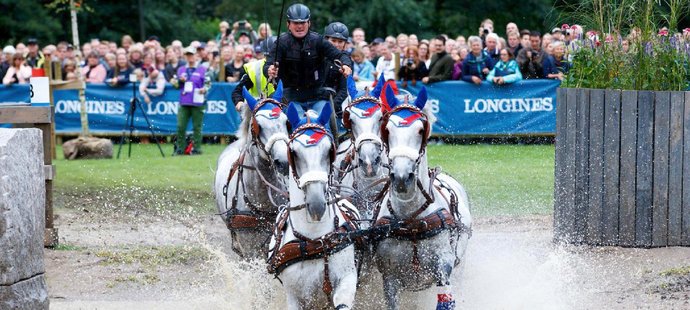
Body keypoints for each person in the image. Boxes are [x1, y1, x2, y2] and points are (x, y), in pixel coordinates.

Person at [264, 3, 352, 123]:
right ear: (288, 24)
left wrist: (346, 65)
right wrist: (269, 70)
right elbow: (268, 65)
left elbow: (341, 55)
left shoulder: (318, 40)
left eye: (303, 22)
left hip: (318, 97)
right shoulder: (281, 43)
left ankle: (332, 141)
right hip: (291, 98)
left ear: (309, 23)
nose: (299, 26)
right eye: (295, 23)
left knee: (323, 123)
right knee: (300, 124)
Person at [172, 46, 210, 155]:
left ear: (196, 56)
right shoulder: (181, 69)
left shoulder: (202, 69)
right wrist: (179, 80)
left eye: (191, 55)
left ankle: (197, 149)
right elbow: (175, 85)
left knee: (197, 127)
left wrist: (205, 89)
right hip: (184, 101)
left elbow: (208, 83)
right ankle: (180, 148)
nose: (190, 57)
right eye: (188, 55)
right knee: (180, 126)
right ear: (185, 56)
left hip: (198, 101)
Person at [231, 36, 277, 112]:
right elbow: (238, 92)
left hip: (282, 110)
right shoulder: (255, 68)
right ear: (264, 55)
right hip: (258, 111)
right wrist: (240, 104)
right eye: (269, 56)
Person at [322, 22, 350, 121]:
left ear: (345, 44)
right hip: (313, 101)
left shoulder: (346, 61)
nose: (336, 44)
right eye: (333, 40)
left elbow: (343, 91)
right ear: (326, 40)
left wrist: (331, 107)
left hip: (334, 107)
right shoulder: (317, 55)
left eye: (340, 41)